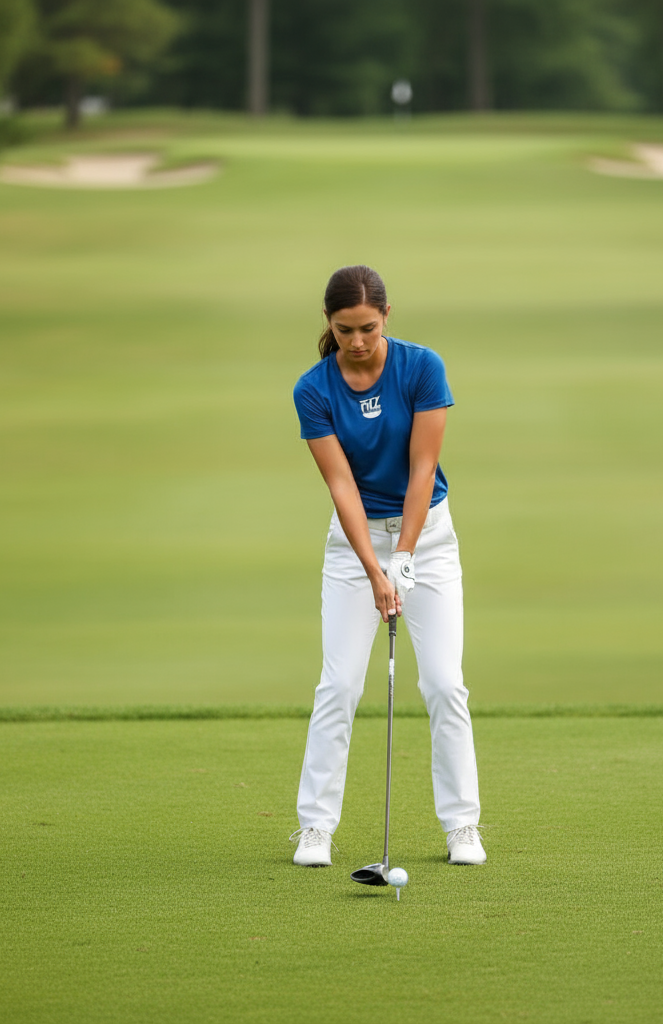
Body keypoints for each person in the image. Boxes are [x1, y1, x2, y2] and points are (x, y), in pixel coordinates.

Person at [290, 264, 485, 868]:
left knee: (444, 683)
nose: (357, 341)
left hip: (428, 538)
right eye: (345, 329)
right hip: (353, 548)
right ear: (329, 322)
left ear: (387, 317)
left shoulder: (422, 367)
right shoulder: (313, 389)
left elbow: (423, 468)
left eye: (368, 328)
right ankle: (315, 828)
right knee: (340, 684)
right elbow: (342, 486)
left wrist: (404, 556)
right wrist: (375, 570)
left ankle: (463, 828)